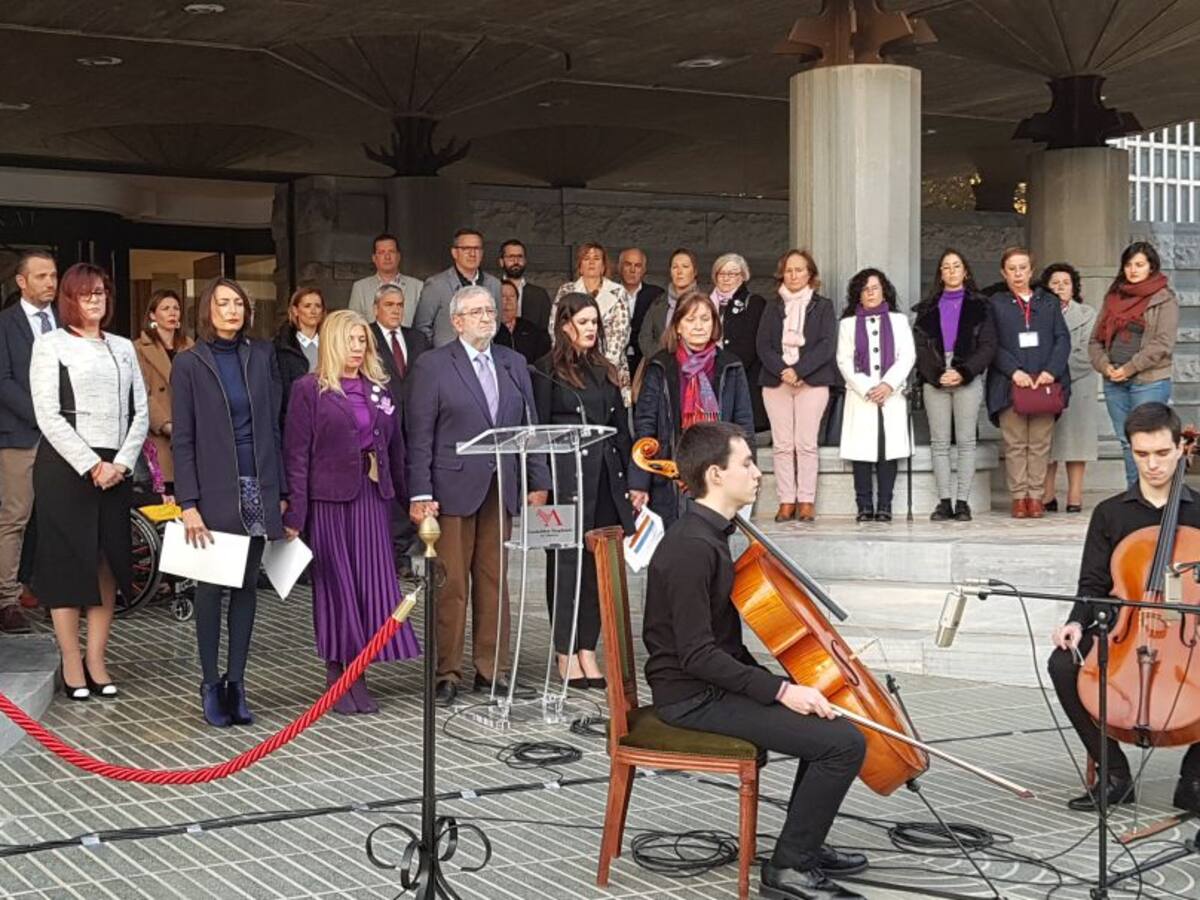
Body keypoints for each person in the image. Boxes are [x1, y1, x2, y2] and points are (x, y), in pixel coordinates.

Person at [643, 421, 868, 900]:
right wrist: (781, 691)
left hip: (710, 686)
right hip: (689, 697)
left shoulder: (713, 536)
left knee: (828, 721)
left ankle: (803, 843)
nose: (757, 472)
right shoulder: (690, 548)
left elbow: (724, 644)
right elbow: (698, 654)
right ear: (715, 475)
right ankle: (789, 869)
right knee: (843, 743)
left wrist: (784, 685)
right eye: (746, 462)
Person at [1047, 402, 1200, 816]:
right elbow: (1093, 584)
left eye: (1162, 454)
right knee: (1063, 664)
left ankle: (1195, 779)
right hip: (1125, 625)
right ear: (1130, 450)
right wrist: (1075, 623)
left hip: (1189, 628)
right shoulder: (1110, 513)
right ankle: (1115, 775)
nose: (1153, 465)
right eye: (1142, 454)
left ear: (1180, 450)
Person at [405, 285, 550, 707]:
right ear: (457, 322)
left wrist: (536, 479)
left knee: (494, 583)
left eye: (490, 310)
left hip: (500, 487)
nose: (487, 317)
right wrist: (420, 492)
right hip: (449, 490)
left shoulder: (513, 363)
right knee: (450, 585)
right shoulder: (433, 365)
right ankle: (446, 672)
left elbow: (530, 424)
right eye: (476, 312)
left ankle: (493, 671)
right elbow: (420, 435)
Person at [284, 310, 420, 715]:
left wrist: (412, 499)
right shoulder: (308, 389)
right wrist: (295, 515)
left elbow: (397, 449)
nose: (359, 349)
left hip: (372, 498)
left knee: (371, 586)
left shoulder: (379, 388)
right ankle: (338, 675)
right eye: (351, 340)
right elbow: (296, 455)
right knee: (337, 588)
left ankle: (361, 670)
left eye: (363, 341)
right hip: (329, 503)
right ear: (332, 343)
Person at [29, 263, 149, 700]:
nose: (95, 300)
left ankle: (97, 656)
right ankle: (70, 658)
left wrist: (120, 462)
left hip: (115, 467)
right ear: (70, 300)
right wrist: (90, 464)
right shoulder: (50, 345)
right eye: (86, 294)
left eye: (100, 293)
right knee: (68, 562)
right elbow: (48, 414)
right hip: (67, 467)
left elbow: (141, 412)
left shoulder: (122, 347)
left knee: (107, 561)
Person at [172, 277, 287, 727]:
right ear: (207, 310)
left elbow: (275, 426)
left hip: (258, 482)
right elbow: (183, 438)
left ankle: (236, 682)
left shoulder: (260, 355)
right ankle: (208, 682)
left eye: (238, 303)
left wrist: (283, 492)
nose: (232, 310)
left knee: (245, 588)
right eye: (223, 303)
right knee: (210, 587)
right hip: (213, 488)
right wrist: (189, 502)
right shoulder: (189, 362)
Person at [532, 293, 634, 687]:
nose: (592, 328)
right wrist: (538, 483)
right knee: (566, 567)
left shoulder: (606, 370)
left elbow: (622, 431)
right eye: (584, 321)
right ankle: (564, 651)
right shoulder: (544, 371)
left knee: (597, 569)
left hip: (605, 479)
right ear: (564, 325)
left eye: (596, 322)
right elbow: (538, 431)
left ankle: (588, 650)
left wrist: (635, 482)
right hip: (564, 481)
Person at [631, 290, 754, 529]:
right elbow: (645, 424)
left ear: (715, 324)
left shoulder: (731, 365)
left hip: (719, 473)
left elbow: (743, 424)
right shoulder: (660, 365)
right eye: (690, 319)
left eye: (705, 319)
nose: (699, 326)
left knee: (713, 548)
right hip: (670, 476)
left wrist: (746, 473)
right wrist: (639, 481)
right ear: (677, 326)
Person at [985, 247, 1070, 519]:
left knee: (1040, 443)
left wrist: (1050, 371)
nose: (1018, 273)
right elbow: (991, 343)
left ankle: (1036, 496)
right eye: (1012, 269)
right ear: (1004, 273)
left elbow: (1062, 338)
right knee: (1015, 442)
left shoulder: (1048, 302)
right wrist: (1014, 371)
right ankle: (1018, 497)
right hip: (1011, 383)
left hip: (1044, 383)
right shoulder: (996, 303)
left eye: (1023, 268)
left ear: (1031, 271)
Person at [912, 249, 995, 522]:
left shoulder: (981, 305)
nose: (951, 271)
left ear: (965, 271)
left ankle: (963, 501)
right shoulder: (927, 308)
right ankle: (944, 501)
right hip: (935, 375)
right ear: (940, 274)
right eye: (945, 267)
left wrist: (963, 371)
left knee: (966, 442)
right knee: (939, 443)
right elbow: (920, 348)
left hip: (966, 373)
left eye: (956, 266)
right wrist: (937, 374)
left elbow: (987, 346)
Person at [756, 249, 837, 523]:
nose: (793, 275)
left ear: (810, 274)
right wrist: (783, 370)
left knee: (805, 443)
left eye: (799, 270)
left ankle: (806, 501)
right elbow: (763, 345)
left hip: (811, 381)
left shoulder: (823, 306)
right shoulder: (772, 306)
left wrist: (799, 370)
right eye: (789, 270)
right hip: (776, 381)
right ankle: (786, 500)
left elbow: (827, 345)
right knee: (782, 444)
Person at [1088, 241, 1178, 487]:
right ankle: (1135, 495)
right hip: (1114, 380)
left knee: (1148, 441)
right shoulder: (1113, 296)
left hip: (1148, 381)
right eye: (1128, 265)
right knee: (1126, 441)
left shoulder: (1164, 298)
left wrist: (1129, 368)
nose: (1133, 270)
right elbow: (1095, 341)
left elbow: (1162, 344)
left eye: (1139, 265)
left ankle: (1154, 496)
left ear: (1151, 267)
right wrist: (1105, 367)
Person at [0, 250, 58, 634]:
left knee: (60, 518)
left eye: (53, 275)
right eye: (40, 276)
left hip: (66, 440)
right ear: (22, 281)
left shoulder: (67, 322)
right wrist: (44, 417)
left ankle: (57, 591)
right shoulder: (5, 324)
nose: (50, 283)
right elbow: (3, 381)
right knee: (15, 517)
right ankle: (6, 600)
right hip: (21, 435)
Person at [835, 269, 915, 523]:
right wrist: (868, 387)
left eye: (875, 288)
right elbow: (844, 360)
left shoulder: (898, 320)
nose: (870, 293)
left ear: (884, 291)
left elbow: (907, 356)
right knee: (862, 453)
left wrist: (888, 385)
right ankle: (864, 505)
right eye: (865, 289)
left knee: (886, 452)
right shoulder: (847, 324)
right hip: (862, 397)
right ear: (858, 294)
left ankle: (885, 505)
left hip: (891, 395)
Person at [1040, 263, 1098, 512]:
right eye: (1055, 282)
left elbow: (1087, 352)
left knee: (1077, 443)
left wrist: (1054, 372)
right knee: (1047, 442)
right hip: (1044, 385)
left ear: (1074, 287)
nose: (1060, 287)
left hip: (1078, 382)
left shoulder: (1087, 313)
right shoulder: (1038, 312)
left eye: (1066, 282)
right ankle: (1047, 494)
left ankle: (1075, 496)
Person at [550, 242, 632, 405]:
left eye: (596, 258)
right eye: (586, 258)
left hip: (609, 369)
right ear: (580, 266)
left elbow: (620, 334)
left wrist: (600, 369)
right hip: (571, 368)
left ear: (603, 266)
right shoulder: (567, 290)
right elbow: (555, 327)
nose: (592, 262)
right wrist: (569, 362)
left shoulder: (617, 291)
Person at [134, 289, 194, 501]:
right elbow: (141, 393)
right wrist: (167, 425)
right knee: (164, 502)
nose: (172, 313)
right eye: (165, 308)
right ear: (152, 315)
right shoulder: (138, 349)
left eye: (176, 308)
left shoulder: (191, 347)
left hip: (190, 433)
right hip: (159, 436)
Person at [413, 228, 502, 347]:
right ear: (454, 253)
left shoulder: (494, 284)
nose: (472, 254)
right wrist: (438, 355)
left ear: (482, 253)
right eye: (466, 249)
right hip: (446, 360)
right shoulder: (436, 285)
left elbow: (496, 322)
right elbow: (421, 328)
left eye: (476, 248)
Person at [711, 253, 768, 432]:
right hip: (707, 374)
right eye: (722, 273)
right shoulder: (705, 302)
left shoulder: (754, 303)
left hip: (739, 374)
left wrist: (724, 367)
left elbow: (750, 345)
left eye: (733, 274)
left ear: (743, 276)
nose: (727, 278)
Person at [275, 285, 325, 427]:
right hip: (296, 421)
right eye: (307, 306)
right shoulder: (282, 346)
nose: (313, 311)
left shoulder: (331, 343)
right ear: (295, 311)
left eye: (318, 306)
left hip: (327, 418)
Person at [638, 247, 700, 363]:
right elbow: (644, 337)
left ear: (694, 271)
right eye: (675, 267)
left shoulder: (703, 303)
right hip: (659, 366)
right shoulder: (658, 302)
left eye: (685, 267)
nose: (679, 272)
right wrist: (660, 358)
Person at [348, 233, 424, 328]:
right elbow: (353, 324)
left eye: (391, 252)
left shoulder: (417, 287)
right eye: (381, 252)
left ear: (398, 256)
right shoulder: (360, 288)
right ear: (374, 258)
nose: (387, 257)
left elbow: (423, 325)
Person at [368, 283, 429, 393]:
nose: (396, 311)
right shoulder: (366, 336)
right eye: (389, 305)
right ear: (376, 309)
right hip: (381, 405)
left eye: (400, 305)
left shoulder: (418, 338)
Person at [617, 247, 664, 378]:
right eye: (628, 264)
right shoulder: (610, 293)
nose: (632, 270)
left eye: (637, 266)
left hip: (646, 362)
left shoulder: (657, 295)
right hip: (615, 363)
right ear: (620, 267)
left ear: (644, 270)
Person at [497, 239, 551, 331]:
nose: (516, 261)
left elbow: (545, 331)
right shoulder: (492, 289)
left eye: (520, 257)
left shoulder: (539, 295)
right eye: (511, 257)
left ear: (525, 261)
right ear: (501, 262)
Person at [494, 278, 551, 363]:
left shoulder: (532, 330)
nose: (508, 301)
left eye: (512, 296)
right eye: (503, 296)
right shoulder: (490, 331)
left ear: (517, 302)